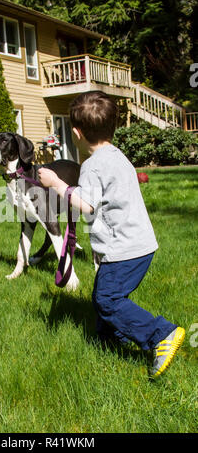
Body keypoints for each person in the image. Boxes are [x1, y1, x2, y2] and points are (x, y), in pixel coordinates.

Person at [38, 90, 185, 379]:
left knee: (107, 299)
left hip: (123, 249)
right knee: (102, 296)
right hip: (140, 244)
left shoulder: (92, 165)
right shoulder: (117, 156)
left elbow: (87, 204)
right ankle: (108, 340)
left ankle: (161, 334)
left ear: (77, 133)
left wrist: (56, 183)